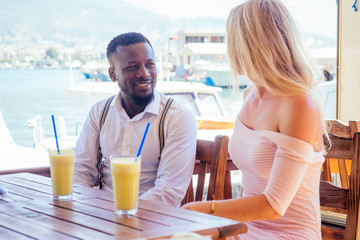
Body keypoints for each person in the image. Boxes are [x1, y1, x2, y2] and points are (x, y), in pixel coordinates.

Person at [182, 0, 328, 239]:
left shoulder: (299, 104)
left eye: (234, 40)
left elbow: (272, 206)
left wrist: (204, 209)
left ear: (255, 45)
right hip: (246, 229)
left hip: (288, 235)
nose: (230, 50)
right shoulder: (249, 95)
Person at [74, 32, 197, 206]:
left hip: (154, 220)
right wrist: (81, 208)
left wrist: (123, 213)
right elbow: (81, 170)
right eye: (132, 67)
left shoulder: (177, 118)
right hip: (103, 214)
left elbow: (169, 191)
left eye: (150, 65)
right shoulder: (99, 112)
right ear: (112, 74)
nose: (144, 74)